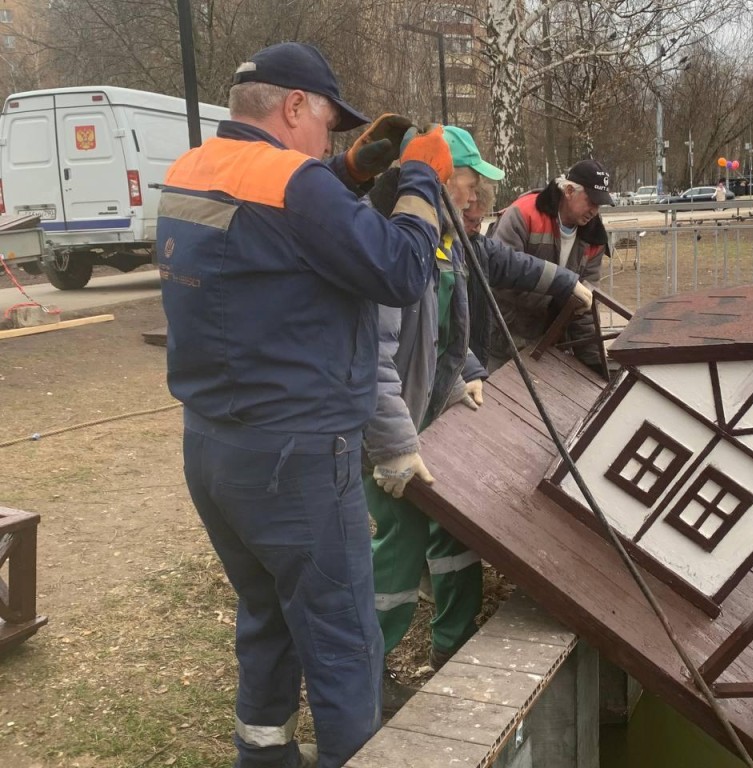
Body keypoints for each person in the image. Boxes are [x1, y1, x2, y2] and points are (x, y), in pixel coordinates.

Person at [156, 41, 453, 768]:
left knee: (269, 618)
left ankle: (263, 756)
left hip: (214, 451)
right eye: (329, 124)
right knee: (345, 643)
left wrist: (351, 173)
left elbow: (277, 237)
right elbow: (406, 269)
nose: (331, 141)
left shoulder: (190, 170)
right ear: (293, 107)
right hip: (297, 463)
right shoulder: (295, 184)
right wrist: (419, 178)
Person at [364, 128, 592, 713]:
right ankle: (370, 674)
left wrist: (467, 369)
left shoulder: (447, 241)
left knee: (454, 527)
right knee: (402, 539)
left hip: (429, 414)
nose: (476, 198)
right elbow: (370, 358)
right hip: (386, 424)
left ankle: (453, 642)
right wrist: (391, 443)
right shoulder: (395, 242)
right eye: (468, 184)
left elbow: (448, 326)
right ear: (442, 179)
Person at [488, 159, 612, 373]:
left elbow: (585, 306)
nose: (595, 210)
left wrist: (596, 367)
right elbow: (500, 274)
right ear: (570, 191)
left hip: (549, 346)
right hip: (503, 341)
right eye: (591, 201)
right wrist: (561, 293)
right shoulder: (523, 213)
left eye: (599, 204)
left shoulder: (595, 238)